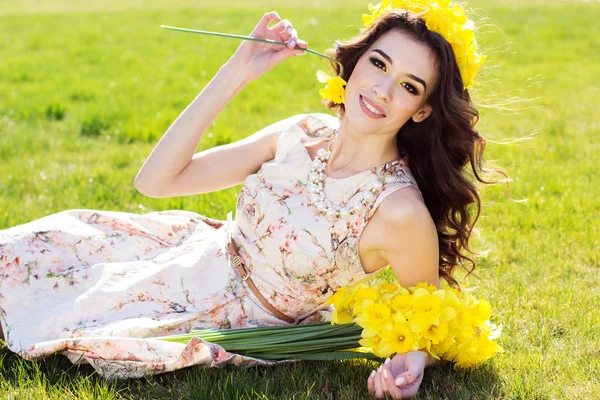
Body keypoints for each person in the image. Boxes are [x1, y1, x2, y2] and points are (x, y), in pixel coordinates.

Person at [0, 6, 506, 398]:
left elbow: (433, 316)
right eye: (378, 62)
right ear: (356, 62)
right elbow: (156, 181)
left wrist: (414, 358)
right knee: (44, 249)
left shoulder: (399, 212)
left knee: (67, 317)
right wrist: (239, 68)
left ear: (421, 111)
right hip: (194, 253)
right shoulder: (301, 133)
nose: (381, 89)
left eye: (409, 86)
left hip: (229, 318)